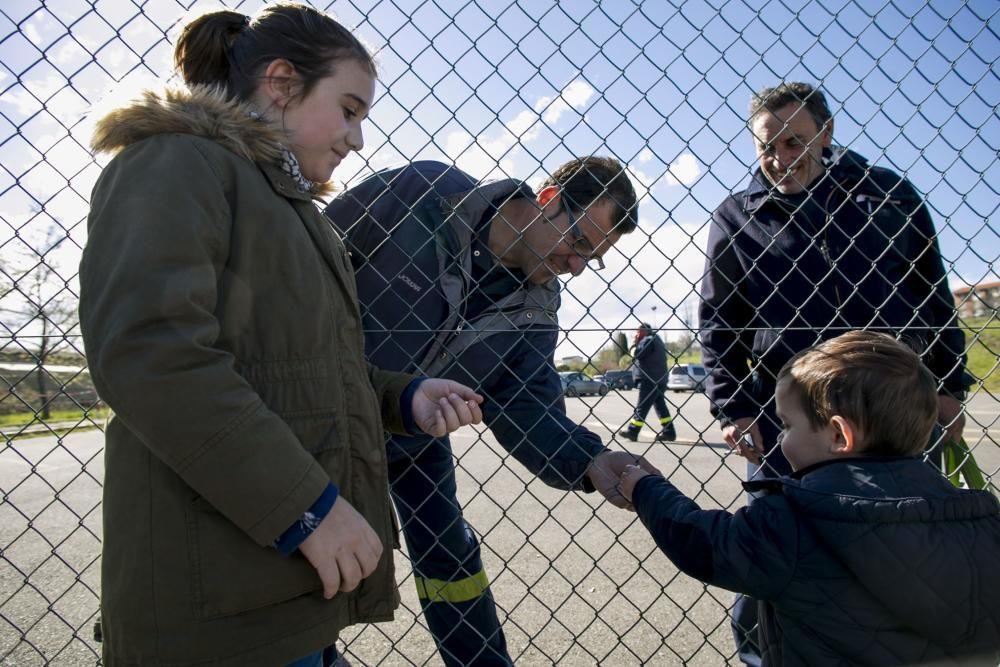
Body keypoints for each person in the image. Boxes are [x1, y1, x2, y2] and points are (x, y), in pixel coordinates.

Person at [78, 6, 485, 666]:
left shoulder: (300, 216)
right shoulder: (175, 163)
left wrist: (402, 396)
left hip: (285, 594)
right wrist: (307, 508)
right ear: (281, 84)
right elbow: (149, 354)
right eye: (348, 108)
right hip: (217, 609)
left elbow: (299, 367)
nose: (356, 137)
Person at [324, 157, 657, 666]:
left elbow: (527, 407)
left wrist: (591, 461)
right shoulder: (423, 194)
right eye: (582, 245)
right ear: (548, 201)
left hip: (416, 441)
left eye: (594, 259)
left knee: (452, 559)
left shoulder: (538, 309)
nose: (577, 267)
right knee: (311, 553)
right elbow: (311, 252)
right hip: (323, 417)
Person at [698, 81, 971, 664]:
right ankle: (762, 657)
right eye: (766, 147)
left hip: (891, 407)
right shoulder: (736, 216)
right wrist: (734, 406)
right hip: (791, 419)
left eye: (795, 141)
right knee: (773, 552)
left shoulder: (890, 198)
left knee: (901, 551)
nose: (779, 159)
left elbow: (933, 298)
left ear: (827, 134)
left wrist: (948, 387)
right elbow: (720, 322)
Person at [611, 331, 1000, 666]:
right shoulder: (982, 518)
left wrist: (645, 487)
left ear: (838, 435)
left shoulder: (793, 520)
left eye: (788, 425)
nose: (782, 439)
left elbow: (700, 541)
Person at [618, 323, 676, 442]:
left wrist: (634, 344)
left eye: (638, 331)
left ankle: (633, 431)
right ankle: (669, 432)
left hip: (650, 380)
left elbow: (637, 354)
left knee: (642, 406)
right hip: (659, 379)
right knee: (660, 406)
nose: (636, 334)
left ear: (645, 331)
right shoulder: (657, 340)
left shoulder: (648, 340)